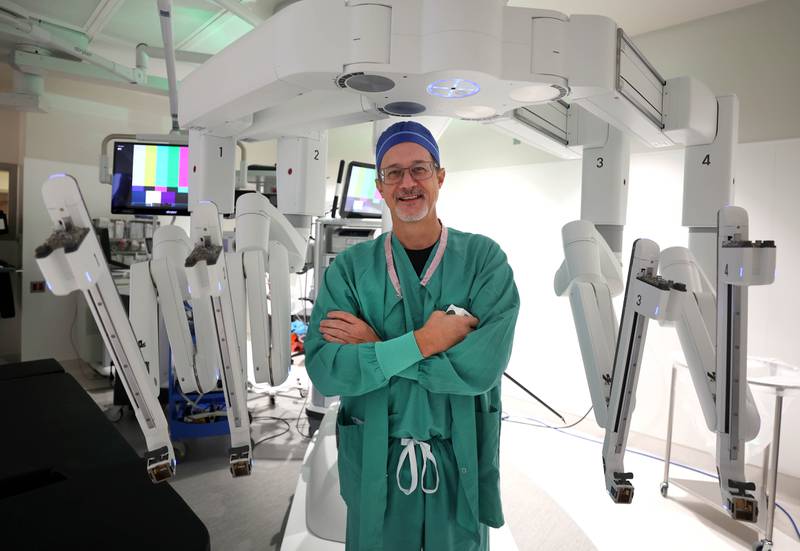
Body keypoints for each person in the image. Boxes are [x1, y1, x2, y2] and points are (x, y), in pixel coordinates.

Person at [305, 121, 519, 550]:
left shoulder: (484, 261)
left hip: (457, 459)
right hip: (375, 459)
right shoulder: (350, 271)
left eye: (419, 169)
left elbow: (480, 369)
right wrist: (425, 341)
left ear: (440, 177)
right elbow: (326, 371)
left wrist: (377, 352)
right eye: (393, 173)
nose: (407, 182)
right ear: (381, 187)